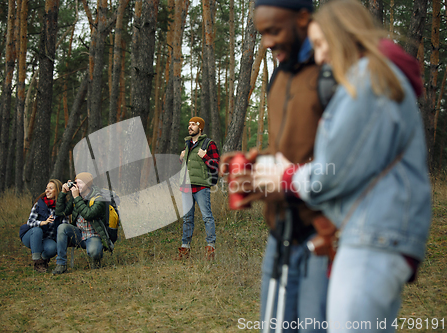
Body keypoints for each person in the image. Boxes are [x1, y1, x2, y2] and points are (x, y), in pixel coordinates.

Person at [249, 1, 431, 332]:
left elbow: (334, 172)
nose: (320, 58)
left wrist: (286, 176)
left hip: (370, 238)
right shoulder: (377, 79)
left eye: (322, 44)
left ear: (342, 36)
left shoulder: (366, 81)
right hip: (370, 235)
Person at [220, 1, 330, 331]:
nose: (267, 42)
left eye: (275, 30)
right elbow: (288, 150)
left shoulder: (331, 70)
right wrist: (255, 165)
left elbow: (346, 159)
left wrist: (284, 179)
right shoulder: (280, 76)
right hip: (279, 232)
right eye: (262, 33)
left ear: (303, 18)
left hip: (324, 235)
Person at [175, 117, 220, 261]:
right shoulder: (187, 144)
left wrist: (205, 156)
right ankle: (185, 250)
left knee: (207, 217)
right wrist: (182, 157)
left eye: (193, 124)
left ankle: (210, 249)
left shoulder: (209, 143)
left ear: (200, 127)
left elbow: (216, 165)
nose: (190, 127)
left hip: (201, 186)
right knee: (187, 219)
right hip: (186, 186)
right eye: (189, 124)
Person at [52, 172, 111, 275]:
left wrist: (76, 197)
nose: (77, 185)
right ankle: (61, 264)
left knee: (94, 251)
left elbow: (88, 214)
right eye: (76, 182)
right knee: (62, 227)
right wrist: (63, 193)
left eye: (81, 183)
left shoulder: (98, 198)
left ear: (88, 184)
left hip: (93, 235)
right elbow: (60, 212)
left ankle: (96, 258)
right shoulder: (77, 197)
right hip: (78, 233)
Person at [21, 179, 69, 273]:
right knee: (37, 230)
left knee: (54, 248)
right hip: (31, 236)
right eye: (46, 188)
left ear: (58, 191)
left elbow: (65, 225)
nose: (47, 190)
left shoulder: (63, 208)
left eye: (51, 188)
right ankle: (37, 262)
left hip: (47, 239)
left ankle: (43, 260)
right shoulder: (39, 205)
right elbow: (29, 222)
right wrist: (42, 223)